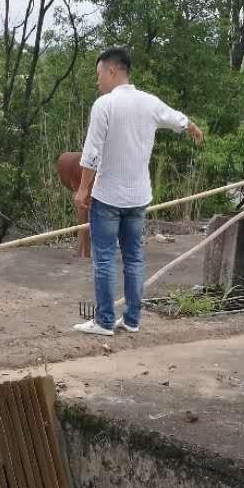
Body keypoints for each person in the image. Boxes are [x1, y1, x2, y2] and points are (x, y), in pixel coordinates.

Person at [72, 47, 203, 336]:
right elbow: (176, 118)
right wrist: (192, 128)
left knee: (104, 257)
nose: (98, 83)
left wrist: (82, 189)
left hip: (107, 196)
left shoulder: (104, 105)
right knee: (133, 257)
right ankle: (131, 319)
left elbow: (91, 153)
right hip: (138, 197)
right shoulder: (149, 102)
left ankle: (105, 321)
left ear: (112, 71)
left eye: (98, 75)